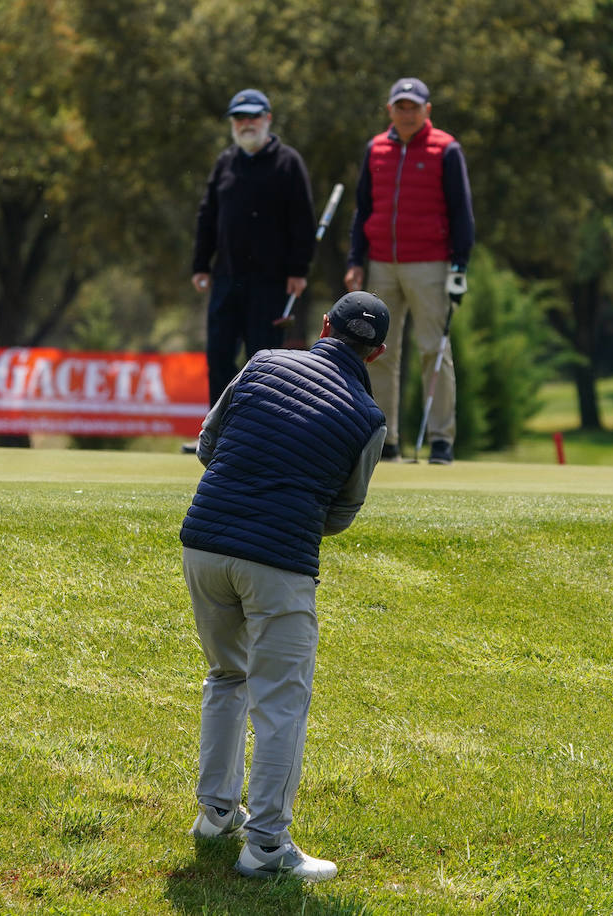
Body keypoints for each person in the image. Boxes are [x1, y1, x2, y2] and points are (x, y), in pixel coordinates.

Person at [180, 292, 390, 883]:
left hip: (203, 542)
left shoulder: (264, 360)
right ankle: (267, 844)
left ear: (324, 326)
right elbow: (343, 512)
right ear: (376, 353)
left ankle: (217, 812)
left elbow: (208, 445)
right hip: (279, 560)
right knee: (282, 704)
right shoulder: (369, 418)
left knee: (227, 674)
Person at [345, 77, 474, 465]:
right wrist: (355, 260)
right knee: (380, 352)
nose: (406, 113)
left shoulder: (446, 149)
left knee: (434, 350)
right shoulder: (376, 149)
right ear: (390, 110)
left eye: (413, 107)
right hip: (382, 262)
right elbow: (363, 210)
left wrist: (459, 266)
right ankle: (387, 440)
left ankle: (440, 440)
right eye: (400, 106)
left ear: (426, 110)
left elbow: (461, 213)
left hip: (430, 264)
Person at [191, 88, 317, 413]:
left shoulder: (289, 163)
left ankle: (256, 432)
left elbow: (303, 222)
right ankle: (215, 434)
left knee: (264, 361)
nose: (247, 123)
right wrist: (200, 264)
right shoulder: (225, 162)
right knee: (218, 355)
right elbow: (208, 215)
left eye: (253, 117)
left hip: (271, 282)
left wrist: (298, 270)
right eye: (240, 118)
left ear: (267, 119)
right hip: (226, 277)